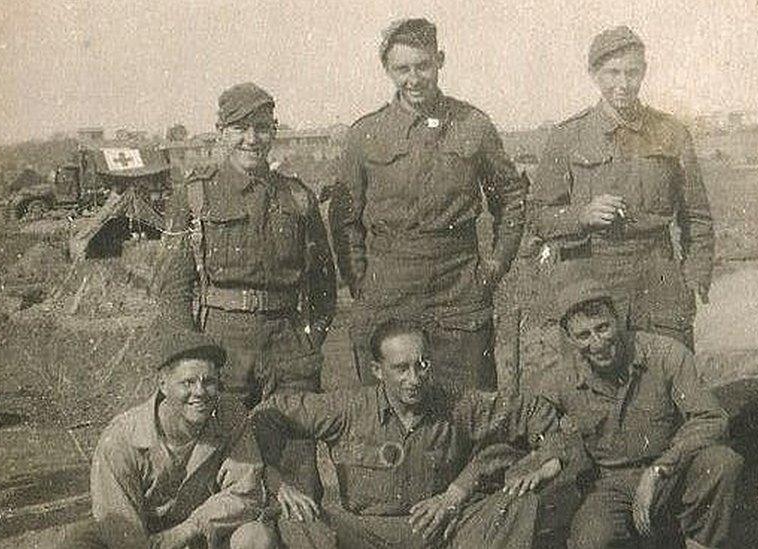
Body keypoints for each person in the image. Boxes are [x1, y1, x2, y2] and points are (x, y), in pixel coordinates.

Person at [155, 82, 337, 501]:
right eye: (239, 128)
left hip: (288, 344)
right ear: (221, 131)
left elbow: (324, 283)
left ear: (273, 131)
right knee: (219, 461)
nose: (251, 139)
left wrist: (310, 339)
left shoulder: (296, 197)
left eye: (261, 127)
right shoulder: (195, 195)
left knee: (297, 466)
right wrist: (194, 354)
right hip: (222, 345)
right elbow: (173, 287)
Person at [254, 319, 585, 548]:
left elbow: (534, 412)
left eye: (422, 364)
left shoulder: (457, 403)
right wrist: (278, 483)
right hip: (366, 533)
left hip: (441, 529)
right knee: (295, 521)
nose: (414, 378)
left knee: (516, 505)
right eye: (401, 368)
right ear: (377, 371)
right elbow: (265, 416)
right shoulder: (348, 407)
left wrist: (548, 460)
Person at [333, 18, 528, 393]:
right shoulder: (365, 134)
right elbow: (345, 220)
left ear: (439, 60)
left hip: (459, 288)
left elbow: (511, 199)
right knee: (392, 406)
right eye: (402, 69)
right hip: (389, 289)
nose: (414, 78)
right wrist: (362, 282)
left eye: (423, 66)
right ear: (387, 70)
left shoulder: (472, 125)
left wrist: (494, 267)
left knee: (470, 404)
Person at [528, 26, 714, 350]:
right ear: (594, 74)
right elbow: (539, 216)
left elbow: (696, 217)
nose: (623, 84)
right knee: (600, 384)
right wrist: (581, 215)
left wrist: (694, 276)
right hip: (593, 278)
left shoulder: (671, 133)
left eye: (632, 72)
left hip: (659, 277)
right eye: (612, 73)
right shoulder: (568, 136)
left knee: (669, 377)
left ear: (643, 72)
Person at [539, 275, 741, 549]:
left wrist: (660, 469)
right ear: (570, 339)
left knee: (721, 463)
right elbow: (533, 420)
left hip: (672, 472)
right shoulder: (561, 378)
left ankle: (698, 542)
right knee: (591, 540)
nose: (597, 343)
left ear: (619, 321)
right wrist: (551, 454)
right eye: (584, 335)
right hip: (612, 485)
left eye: (603, 328)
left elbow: (711, 417)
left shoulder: (664, 354)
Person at [63, 330, 277, 549]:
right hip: (142, 538)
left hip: (203, 534)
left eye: (209, 381)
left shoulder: (230, 417)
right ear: (163, 385)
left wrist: (190, 529)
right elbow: (123, 532)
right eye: (188, 382)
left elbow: (245, 493)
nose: (200, 392)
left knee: (255, 537)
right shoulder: (120, 440)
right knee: (78, 542)